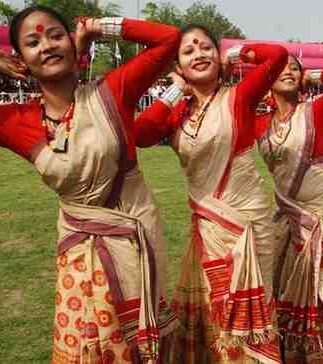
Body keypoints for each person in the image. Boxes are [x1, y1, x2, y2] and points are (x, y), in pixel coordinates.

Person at [0, 6, 181, 363]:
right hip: (77, 257)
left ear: (71, 41)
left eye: (55, 35)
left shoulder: (111, 92)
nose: (47, 46)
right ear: (20, 60)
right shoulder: (14, 120)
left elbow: (169, 40)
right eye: (33, 43)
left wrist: (101, 28)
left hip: (133, 244)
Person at [134, 26, 288, 363]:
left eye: (206, 48)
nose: (199, 54)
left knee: (252, 306)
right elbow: (142, 134)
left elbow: (277, 56)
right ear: (179, 65)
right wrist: (175, 89)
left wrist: (235, 54)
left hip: (247, 224)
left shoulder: (240, 96)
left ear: (217, 57)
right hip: (208, 226)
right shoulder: (178, 114)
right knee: (212, 304)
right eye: (189, 51)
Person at [254, 55, 323, 363]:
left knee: (322, 279)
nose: (288, 71)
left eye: (294, 67)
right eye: (280, 67)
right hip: (287, 211)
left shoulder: (316, 109)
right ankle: (294, 351)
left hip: (322, 210)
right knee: (286, 274)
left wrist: (311, 74)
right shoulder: (259, 122)